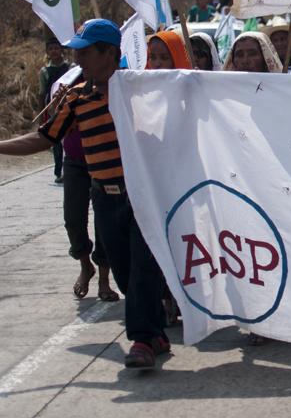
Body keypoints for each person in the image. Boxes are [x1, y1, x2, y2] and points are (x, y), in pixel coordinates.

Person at [0, 20, 170, 369]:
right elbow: (44, 138)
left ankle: (141, 341)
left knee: (142, 271)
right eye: (76, 50)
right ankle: (155, 333)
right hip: (104, 199)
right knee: (123, 272)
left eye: (86, 51)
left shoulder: (142, 93)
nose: (78, 58)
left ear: (111, 53)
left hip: (142, 197)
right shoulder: (76, 100)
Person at [51, 65, 119, 303]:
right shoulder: (67, 83)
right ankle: (84, 264)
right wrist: (60, 103)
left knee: (104, 221)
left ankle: (103, 279)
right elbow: (51, 127)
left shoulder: (115, 83)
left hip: (102, 161)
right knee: (73, 219)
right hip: (75, 161)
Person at [38, 38, 73, 184]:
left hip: (68, 106)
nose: (54, 51)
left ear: (61, 50)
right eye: (51, 49)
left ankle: (68, 170)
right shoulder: (45, 71)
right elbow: (41, 93)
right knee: (56, 141)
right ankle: (59, 171)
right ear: (47, 52)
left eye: (56, 48)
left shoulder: (70, 68)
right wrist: (41, 116)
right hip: (51, 108)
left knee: (68, 137)